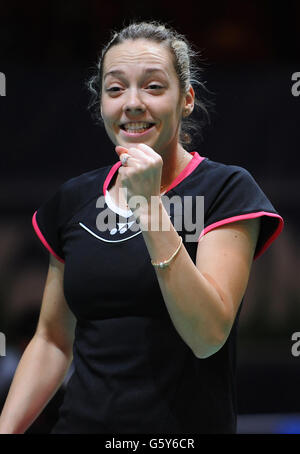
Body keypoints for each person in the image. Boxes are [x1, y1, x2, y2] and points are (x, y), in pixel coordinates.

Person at [0, 21, 284, 434]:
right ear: (101, 103)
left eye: (153, 87)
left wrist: (149, 205)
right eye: (115, 89)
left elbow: (207, 334)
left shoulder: (226, 189)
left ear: (186, 99)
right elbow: (51, 341)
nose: (132, 103)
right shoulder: (75, 199)